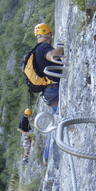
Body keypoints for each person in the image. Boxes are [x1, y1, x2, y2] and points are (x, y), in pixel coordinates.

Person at [34, 23, 64, 166]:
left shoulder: (37, 50)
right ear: (48, 34)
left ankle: (47, 156)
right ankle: (49, 156)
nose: (51, 37)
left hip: (49, 89)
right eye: (50, 35)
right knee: (58, 121)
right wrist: (62, 48)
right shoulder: (43, 48)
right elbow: (53, 56)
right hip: (53, 87)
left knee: (55, 119)